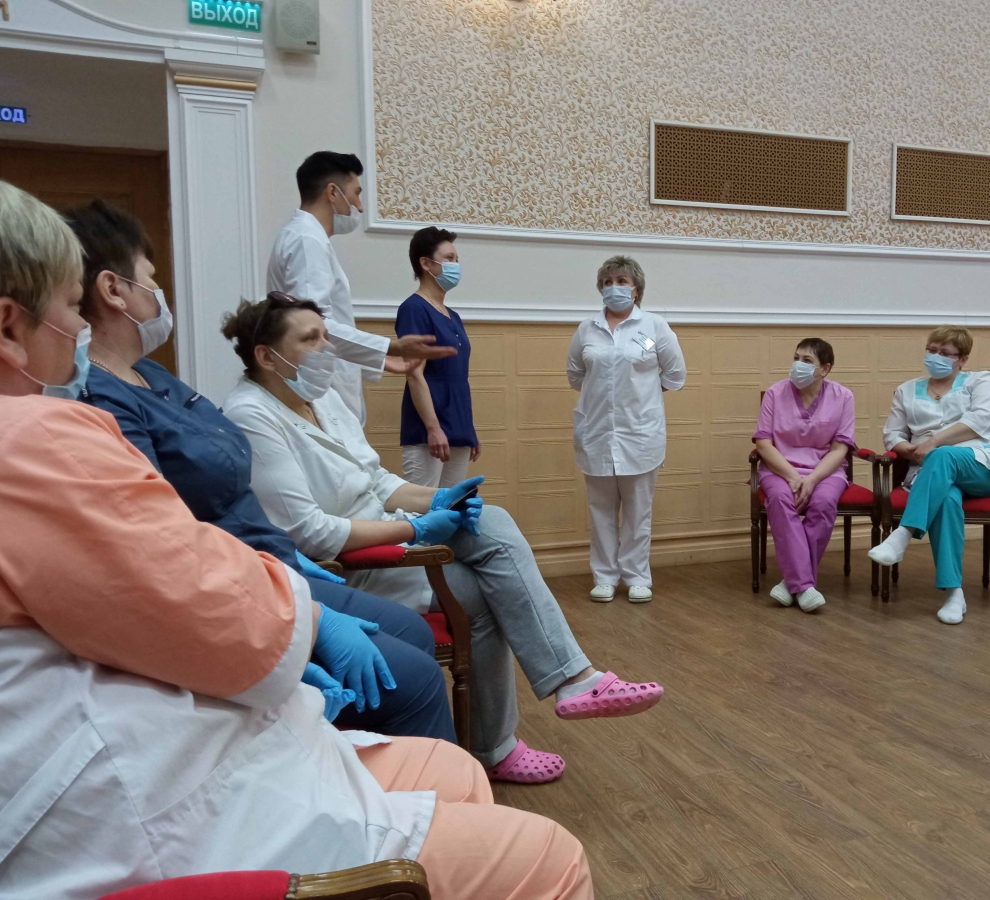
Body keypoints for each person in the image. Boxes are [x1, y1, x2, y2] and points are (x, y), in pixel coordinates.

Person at [0, 180, 592, 900]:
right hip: (168, 747)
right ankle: (561, 686)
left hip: (258, 588)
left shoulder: (163, 386)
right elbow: (189, 566)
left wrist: (418, 512)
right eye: (70, 308)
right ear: (10, 326)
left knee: (471, 607)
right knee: (547, 850)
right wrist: (317, 604)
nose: (79, 330)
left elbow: (195, 539)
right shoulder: (49, 433)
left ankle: (532, 711)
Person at [221, 295, 665, 783]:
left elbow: (377, 481)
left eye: (326, 337)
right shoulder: (250, 416)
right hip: (349, 569)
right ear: (266, 356)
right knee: (492, 558)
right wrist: (415, 528)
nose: (326, 349)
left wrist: (438, 499)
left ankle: (518, 727)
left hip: (393, 539)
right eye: (310, 340)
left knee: (489, 557)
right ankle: (554, 696)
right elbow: (309, 532)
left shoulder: (321, 399)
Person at [66, 199, 455, 742]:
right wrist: (308, 602)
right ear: (114, 290)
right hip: (238, 576)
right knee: (416, 681)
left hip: (276, 561)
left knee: (413, 630)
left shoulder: (151, 375)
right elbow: (163, 535)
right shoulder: (104, 397)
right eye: (150, 280)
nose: (158, 293)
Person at [267, 151, 453, 423]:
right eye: (356, 193)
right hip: (315, 392)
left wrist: (379, 359)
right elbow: (312, 327)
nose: (360, 207)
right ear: (333, 192)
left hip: (320, 387)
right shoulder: (307, 241)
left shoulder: (306, 237)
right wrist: (390, 347)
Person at [868, 326, 990, 625]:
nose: (936, 357)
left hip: (983, 464)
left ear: (963, 359)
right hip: (930, 472)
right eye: (932, 350)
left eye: (945, 353)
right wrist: (913, 451)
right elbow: (893, 435)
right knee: (946, 499)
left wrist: (933, 443)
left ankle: (903, 534)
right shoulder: (907, 389)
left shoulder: (979, 381)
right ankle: (954, 593)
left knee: (943, 454)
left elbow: (981, 420)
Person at [567, 256, 687, 604]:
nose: (614, 287)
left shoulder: (654, 326)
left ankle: (637, 577)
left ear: (636, 289)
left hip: (640, 433)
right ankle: (605, 577)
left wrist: (640, 395)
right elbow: (575, 374)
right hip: (596, 432)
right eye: (607, 281)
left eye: (621, 281)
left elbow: (675, 374)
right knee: (601, 511)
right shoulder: (587, 329)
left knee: (638, 512)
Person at [753, 338, 856, 612]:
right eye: (796, 358)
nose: (798, 365)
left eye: (807, 361)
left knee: (823, 503)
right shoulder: (775, 393)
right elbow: (763, 444)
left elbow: (840, 449)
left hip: (825, 471)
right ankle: (804, 584)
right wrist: (792, 477)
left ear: (825, 369)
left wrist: (811, 480)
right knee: (780, 500)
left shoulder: (844, 397)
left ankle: (791, 583)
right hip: (780, 469)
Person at [396, 226, 479, 487]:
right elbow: (414, 374)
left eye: (457, 259)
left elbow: (458, 377)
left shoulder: (453, 316)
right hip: (427, 432)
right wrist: (433, 428)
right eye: (449, 258)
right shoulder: (414, 309)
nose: (456, 265)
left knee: (452, 506)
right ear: (426, 264)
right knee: (421, 506)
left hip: (458, 426)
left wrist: (468, 429)